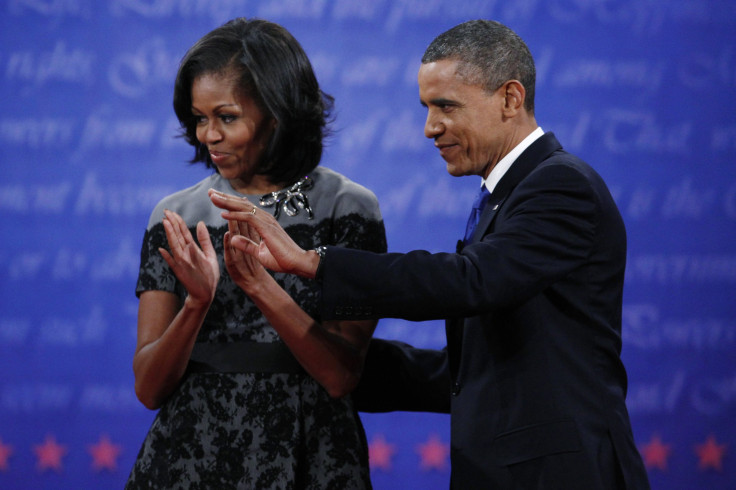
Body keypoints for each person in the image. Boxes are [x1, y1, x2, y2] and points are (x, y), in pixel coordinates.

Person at [210, 19, 651, 490]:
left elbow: (468, 281)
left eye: (445, 106)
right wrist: (333, 356)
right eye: (426, 107)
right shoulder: (504, 198)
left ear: (510, 98)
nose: (430, 128)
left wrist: (314, 261)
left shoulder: (561, 186)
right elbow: (475, 374)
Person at [126, 18, 386, 489]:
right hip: (191, 456)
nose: (208, 136)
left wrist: (259, 285)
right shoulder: (176, 216)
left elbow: (340, 373)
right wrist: (196, 304)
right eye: (199, 119)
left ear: (278, 112)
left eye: (226, 117)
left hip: (314, 452)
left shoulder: (347, 209)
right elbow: (148, 388)